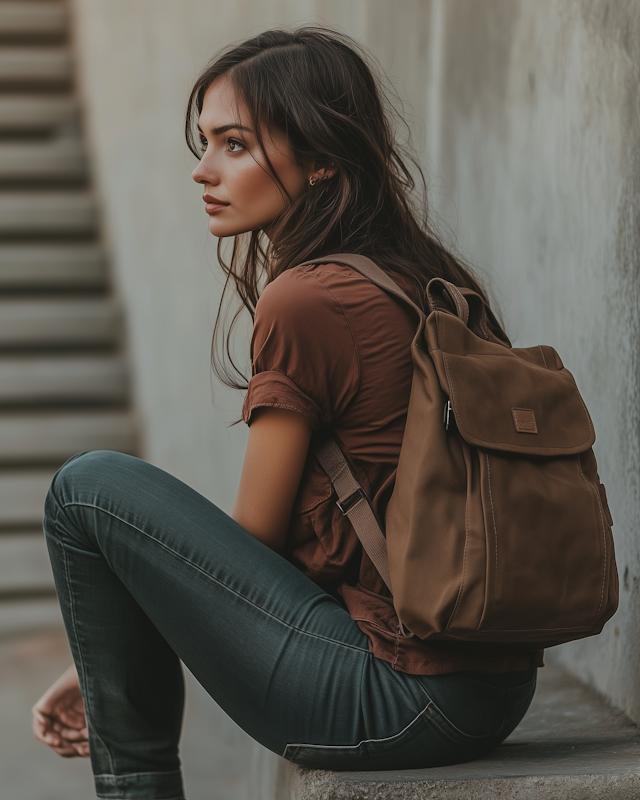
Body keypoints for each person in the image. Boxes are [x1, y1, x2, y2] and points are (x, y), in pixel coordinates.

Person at [32, 27, 541, 798]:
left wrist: (107, 659)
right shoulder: (423, 276)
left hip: (402, 696)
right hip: (492, 692)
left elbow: (255, 543)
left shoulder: (304, 299)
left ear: (325, 156)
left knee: (87, 487)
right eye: (204, 142)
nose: (203, 171)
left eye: (234, 144)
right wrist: (101, 660)